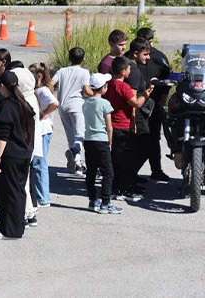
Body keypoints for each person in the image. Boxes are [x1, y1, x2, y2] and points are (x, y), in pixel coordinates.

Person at [0, 71, 34, 240]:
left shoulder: (7, 106)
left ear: (2, 86)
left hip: (10, 155)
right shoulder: (23, 103)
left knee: (9, 193)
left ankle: (10, 230)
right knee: (18, 191)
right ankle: (16, 227)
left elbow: (3, 134)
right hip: (24, 153)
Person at [104, 56, 153, 201]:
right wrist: (146, 94)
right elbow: (136, 103)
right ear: (123, 71)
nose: (130, 70)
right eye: (129, 68)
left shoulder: (109, 85)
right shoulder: (123, 87)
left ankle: (115, 188)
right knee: (125, 160)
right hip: (122, 126)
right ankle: (123, 190)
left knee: (115, 159)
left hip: (112, 124)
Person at [82, 73, 122, 215]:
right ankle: (106, 202)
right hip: (101, 140)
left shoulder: (86, 103)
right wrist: (110, 141)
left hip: (88, 140)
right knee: (108, 173)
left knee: (91, 172)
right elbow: (109, 126)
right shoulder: (105, 104)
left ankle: (93, 200)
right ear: (103, 88)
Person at [50, 47, 93, 177]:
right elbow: (86, 90)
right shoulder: (84, 72)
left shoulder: (62, 71)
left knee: (71, 135)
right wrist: (96, 94)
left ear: (69, 58)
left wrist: (50, 96)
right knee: (80, 134)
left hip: (62, 106)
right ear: (83, 59)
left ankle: (78, 164)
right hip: (76, 106)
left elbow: (51, 83)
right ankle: (76, 155)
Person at [136, 27, 171, 182]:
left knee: (154, 137)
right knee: (135, 138)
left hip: (154, 103)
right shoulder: (131, 57)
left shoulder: (159, 58)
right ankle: (130, 172)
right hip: (136, 103)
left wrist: (163, 99)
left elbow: (166, 79)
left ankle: (156, 169)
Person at [29, 63, 59, 207]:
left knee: (40, 163)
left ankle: (43, 197)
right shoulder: (38, 90)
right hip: (41, 130)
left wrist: (44, 113)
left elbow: (55, 103)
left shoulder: (42, 91)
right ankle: (40, 194)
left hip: (43, 130)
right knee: (37, 163)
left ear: (39, 77)